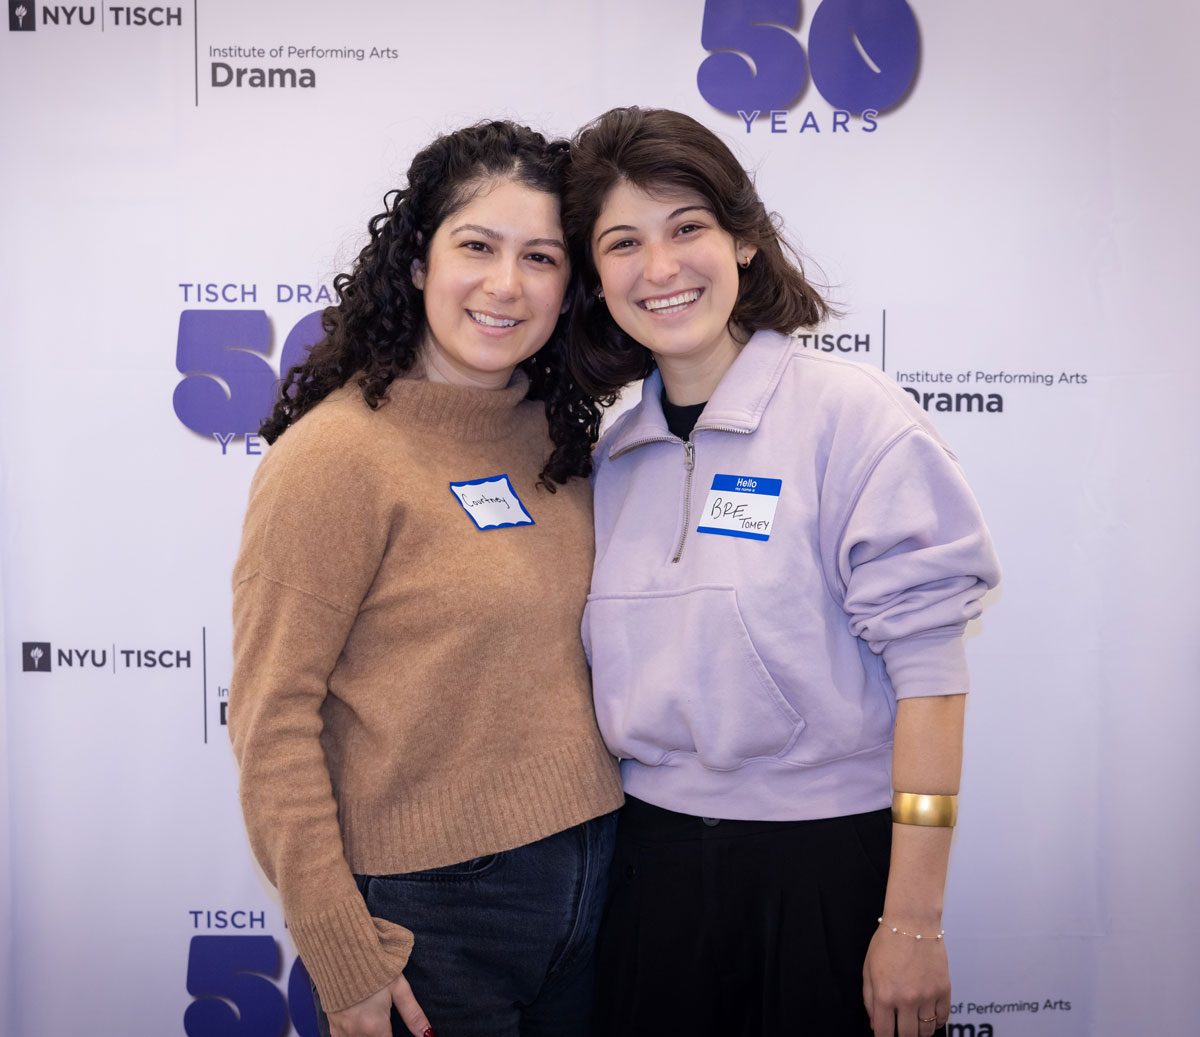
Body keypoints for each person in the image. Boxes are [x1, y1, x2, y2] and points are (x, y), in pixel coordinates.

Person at [562, 107, 1001, 1037]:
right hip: (648, 876)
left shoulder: (853, 417)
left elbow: (930, 681)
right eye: (623, 242)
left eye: (687, 227)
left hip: (827, 871)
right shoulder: (610, 458)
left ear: (745, 239)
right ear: (595, 278)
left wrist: (912, 920)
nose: (660, 267)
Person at [229, 121, 623, 1037]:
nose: (506, 283)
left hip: (599, 885)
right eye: (477, 246)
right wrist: (342, 955)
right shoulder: (335, 458)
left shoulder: (559, 441)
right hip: (431, 917)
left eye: (540, 257)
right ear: (417, 263)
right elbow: (271, 721)